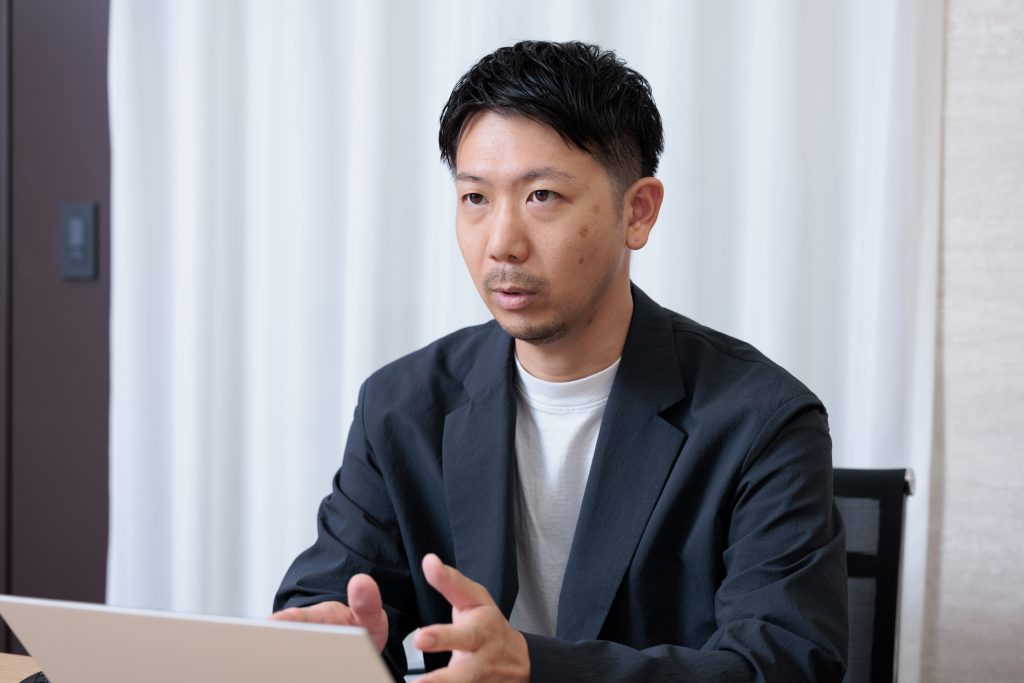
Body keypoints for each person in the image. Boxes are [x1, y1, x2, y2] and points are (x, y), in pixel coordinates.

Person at [273, 40, 847, 682]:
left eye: (542, 195)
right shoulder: (402, 405)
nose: (502, 244)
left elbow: (784, 665)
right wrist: (339, 640)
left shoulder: (761, 420)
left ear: (637, 212)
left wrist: (534, 667)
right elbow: (331, 594)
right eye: (475, 198)